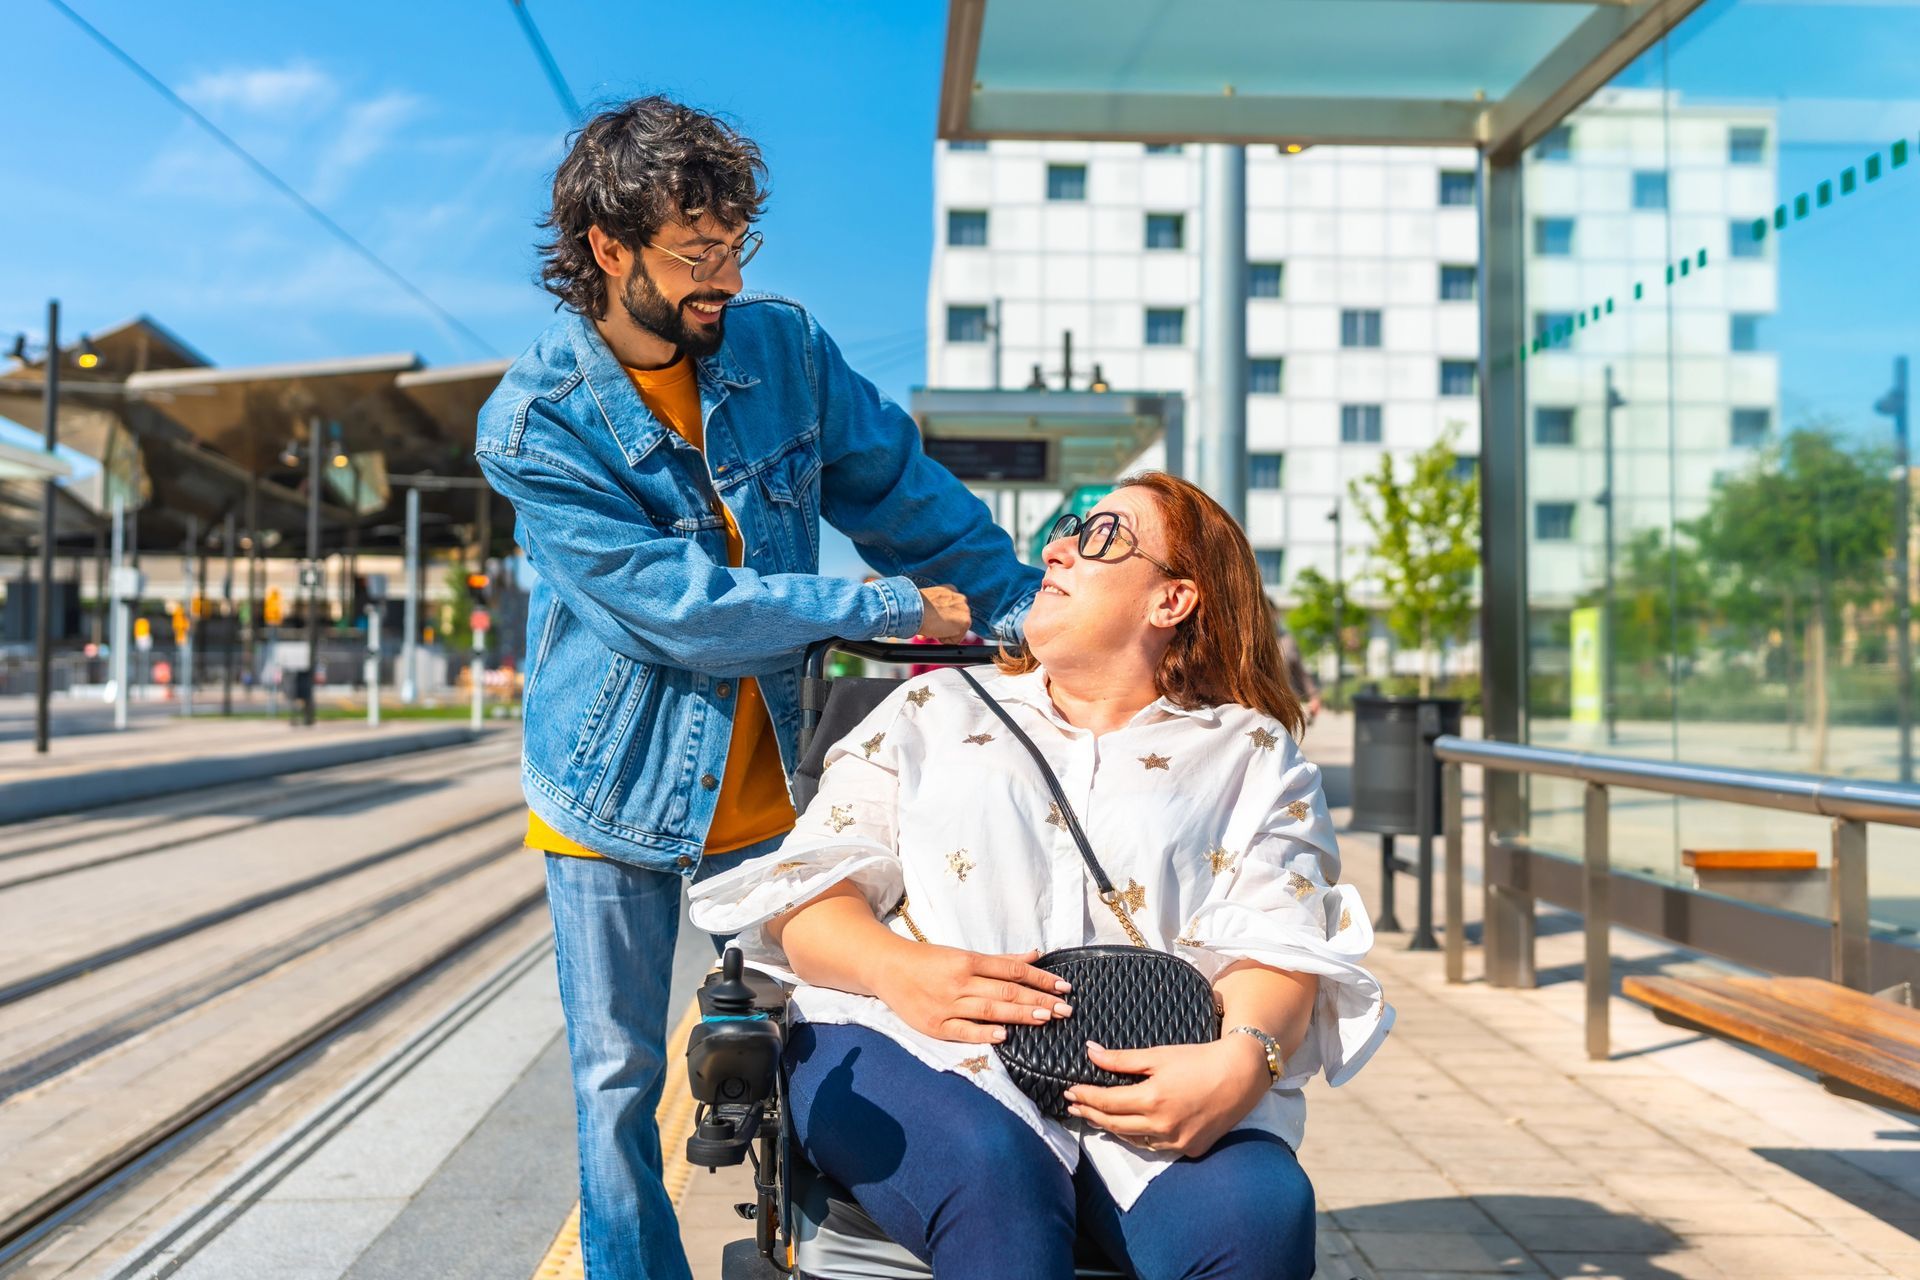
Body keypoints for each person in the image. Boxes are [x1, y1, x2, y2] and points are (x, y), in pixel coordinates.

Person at [474, 97, 1040, 1280]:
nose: (721, 277)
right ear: (606, 248)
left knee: (829, 1029)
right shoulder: (534, 425)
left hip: (781, 773)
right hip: (611, 789)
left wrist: (1021, 607)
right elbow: (678, 607)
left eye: (735, 247)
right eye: (694, 254)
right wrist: (882, 606)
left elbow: (903, 493)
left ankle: (826, 1243)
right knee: (617, 1077)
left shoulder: (782, 351)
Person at [692, 472, 1392, 1280]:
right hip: (914, 1040)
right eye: (1068, 528)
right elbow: (809, 903)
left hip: (1151, 1063)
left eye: (1101, 537)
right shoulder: (932, 711)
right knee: (997, 1173)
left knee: (1258, 1215)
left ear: (1173, 601)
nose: (1056, 549)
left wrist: (1244, 1060)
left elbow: (1283, 942)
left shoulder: (1252, 755)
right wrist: (901, 970)